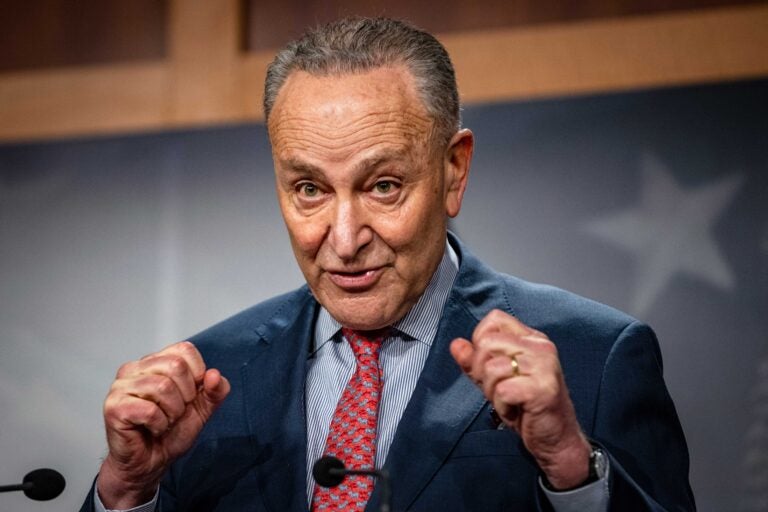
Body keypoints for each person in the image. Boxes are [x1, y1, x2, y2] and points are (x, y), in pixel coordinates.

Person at [81, 17, 695, 512]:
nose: (344, 241)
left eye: (382, 186)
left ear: (454, 170)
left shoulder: (595, 357)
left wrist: (568, 467)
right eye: (309, 190)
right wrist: (126, 492)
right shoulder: (208, 379)